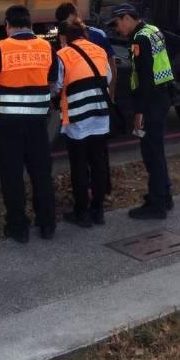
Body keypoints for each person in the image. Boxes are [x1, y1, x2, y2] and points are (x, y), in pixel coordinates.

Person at [0, 4, 57, 243]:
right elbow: (53, 81)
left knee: (11, 176)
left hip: (6, 124)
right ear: (30, 24)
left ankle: (18, 228)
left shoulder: (0, 48)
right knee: (41, 174)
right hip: (37, 123)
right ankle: (47, 225)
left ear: (7, 25)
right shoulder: (46, 46)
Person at [109, 4, 174, 219]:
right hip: (161, 97)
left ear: (127, 18)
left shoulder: (140, 39)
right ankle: (164, 195)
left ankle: (157, 205)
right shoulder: (153, 30)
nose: (117, 29)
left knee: (151, 153)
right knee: (158, 150)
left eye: (118, 23)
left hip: (151, 102)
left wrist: (139, 112)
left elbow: (145, 78)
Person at [53, 20, 113, 227]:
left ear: (64, 37)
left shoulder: (63, 55)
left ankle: (82, 213)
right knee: (98, 162)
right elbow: (109, 76)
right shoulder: (99, 50)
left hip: (77, 117)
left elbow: (57, 86)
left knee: (79, 165)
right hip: (100, 114)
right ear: (84, 34)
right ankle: (98, 211)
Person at [54, 1, 117, 98]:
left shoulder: (98, 35)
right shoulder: (61, 38)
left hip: (85, 99)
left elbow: (112, 68)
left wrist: (111, 96)